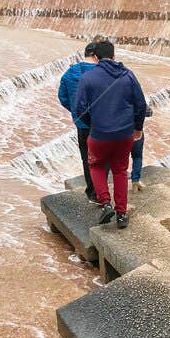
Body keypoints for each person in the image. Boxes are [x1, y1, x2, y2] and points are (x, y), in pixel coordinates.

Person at [68, 40, 147, 229]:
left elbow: (78, 109)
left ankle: (105, 203)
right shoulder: (128, 75)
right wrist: (137, 127)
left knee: (95, 166)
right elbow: (141, 105)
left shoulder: (88, 77)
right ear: (114, 56)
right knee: (120, 171)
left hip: (99, 134)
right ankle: (121, 215)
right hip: (125, 133)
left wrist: (93, 124)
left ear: (95, 57)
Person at [57, 40, 100, 202]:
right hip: (103, 123)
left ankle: (92, 192)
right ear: (97, 56)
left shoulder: (70, 73)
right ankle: (103, 192)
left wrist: (76, 113)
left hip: (82, 124)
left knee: (87, 158)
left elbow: (63, 97)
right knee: (104, 158)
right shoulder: (103, 73)